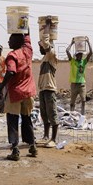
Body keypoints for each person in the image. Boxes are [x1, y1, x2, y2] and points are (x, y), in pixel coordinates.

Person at [0, 33, 37, 161]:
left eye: (10, 40)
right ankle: (32, 146)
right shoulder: (28, 51)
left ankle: (15, 149)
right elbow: (27, 37)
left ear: (16, 41)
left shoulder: (12, 56)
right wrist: (23, 23)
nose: (8, 42)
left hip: (15, 92)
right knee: (27, 119)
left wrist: (1, 86)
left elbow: (11, 71)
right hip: (28, 92)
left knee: (12, 120)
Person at [37, 19, 59, 148]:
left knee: (52, 114)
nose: (40, 48)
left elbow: (46, 43)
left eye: (41, 46)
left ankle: (53, 139)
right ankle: (46, 135)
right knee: (44, 114)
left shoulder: (52, 56)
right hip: (43, 89)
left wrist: (48, 26)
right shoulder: (44, 59)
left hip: (50, 89)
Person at [66, 37, 93, 115]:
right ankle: (71, 115)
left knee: (83, 100)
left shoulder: (84, 62)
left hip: (81, 84)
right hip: (74, 84)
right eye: (79, 55)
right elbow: (67, 51)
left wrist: (88, 42)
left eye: (81, 55)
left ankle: (82, 115)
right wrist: (72, 43)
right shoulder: (72, 61)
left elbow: (91, 53)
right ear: (76, 56)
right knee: (72, 102)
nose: (80, 56)